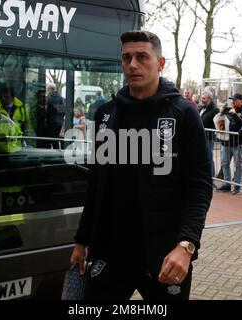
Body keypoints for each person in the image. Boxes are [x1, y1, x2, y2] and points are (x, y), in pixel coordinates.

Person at [69, 30, 212, 300]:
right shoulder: (105, 115)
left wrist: (187, 245)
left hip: (165, 256)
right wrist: (82, 239)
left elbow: (200, 185)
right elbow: (97, 184)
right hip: (110, 253)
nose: (133, 64)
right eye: (126, 58)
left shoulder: (183, 114)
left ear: (160, 63)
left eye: (142, 57)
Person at [216, 93, 242, 195]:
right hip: (226, 142)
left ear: (241, 101)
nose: (233, 102)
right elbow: (221, 122)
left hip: (238, 143)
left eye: (235, 100)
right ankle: (227, 184)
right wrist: (221, 113)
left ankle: (237, 186)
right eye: (232, 100)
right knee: (224, 163)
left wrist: (235, 115)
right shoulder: (228, 110)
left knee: (238, 165)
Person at [198, 90, 219, 177]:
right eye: (201, 98)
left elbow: (206, 122)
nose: (202, 100)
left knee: (208, 157)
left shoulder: (214, 110)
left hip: (208, 137)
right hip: (199, 136)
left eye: (204, 98)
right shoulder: (200, 107)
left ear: (210, 99)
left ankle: (211, 176)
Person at [46, 83, 66, 148]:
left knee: (50, 140)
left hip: (50, 122)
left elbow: (46, 111)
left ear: (49, 89)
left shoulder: (48, 98)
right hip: (59, 122)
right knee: (56, 138)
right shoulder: (61, 98)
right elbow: (63, 111)